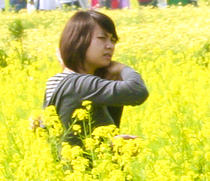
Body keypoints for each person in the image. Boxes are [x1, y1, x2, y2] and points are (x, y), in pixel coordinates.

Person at [43, 10, 149, 147]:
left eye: (113, 40)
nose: (110, 46)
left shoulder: (60, 81)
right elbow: (137, 91)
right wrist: (122, 69)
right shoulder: (79, 84)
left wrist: (110, 145)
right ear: (78, 40)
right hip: (83, 168)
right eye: (102, 38)